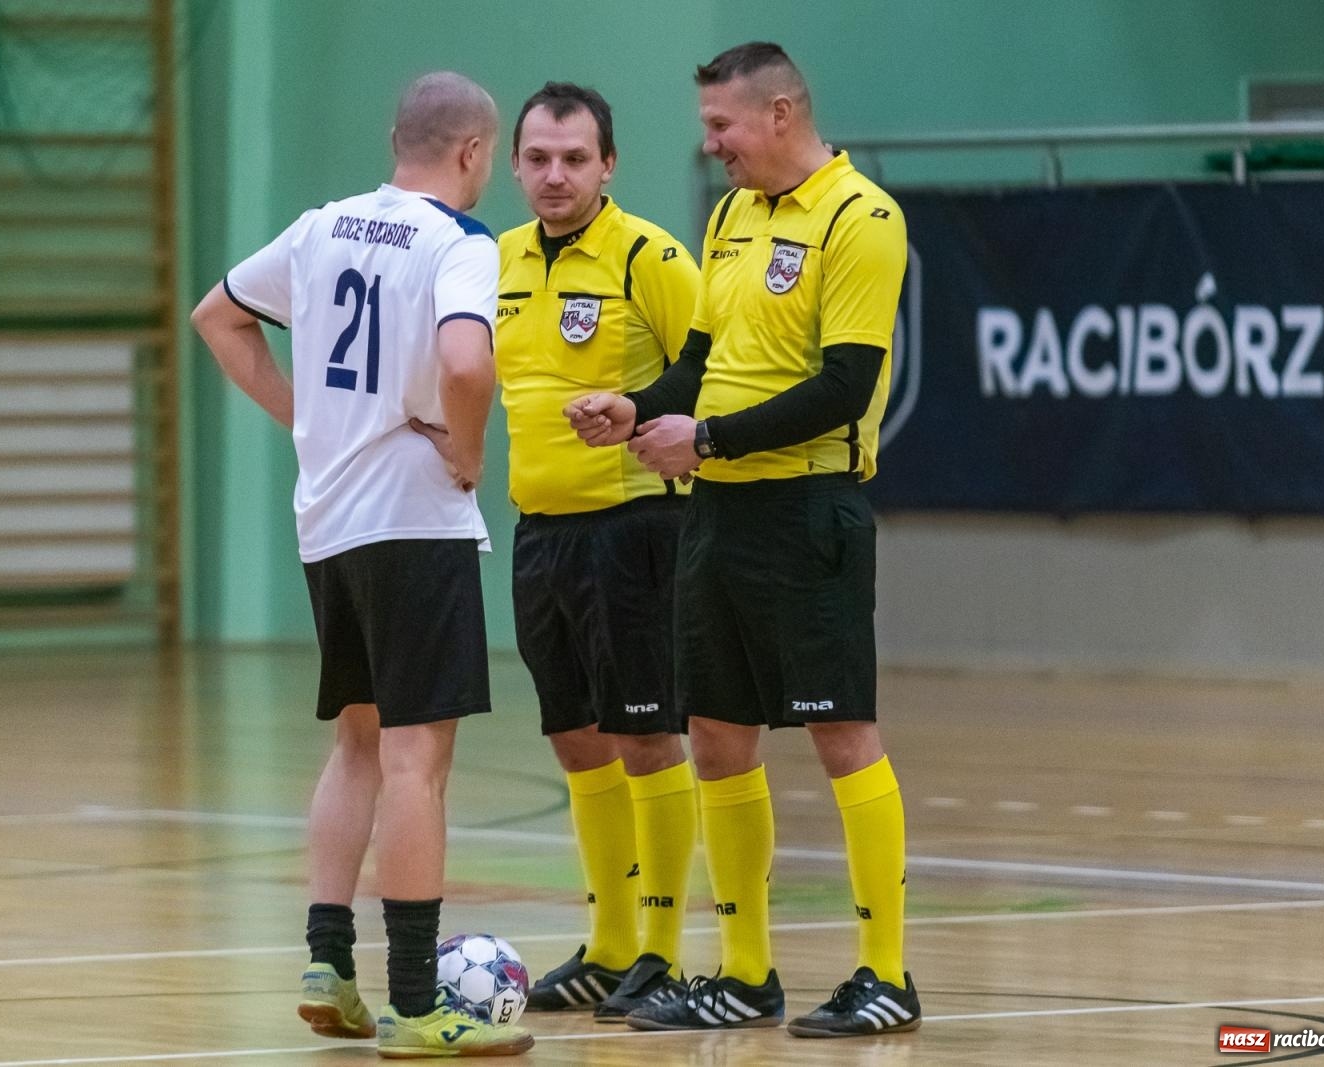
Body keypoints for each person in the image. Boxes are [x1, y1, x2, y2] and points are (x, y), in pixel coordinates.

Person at [565, 42, 921, 1039]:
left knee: (841, 731)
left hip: (808, 513)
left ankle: (886, 973)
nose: (711, 144)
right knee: (717, 736)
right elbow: (703, 361)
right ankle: (746, 971)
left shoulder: (861, 218)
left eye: (720, 125)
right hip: (716, 514)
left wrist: (708, 438)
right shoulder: (732, 216)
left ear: (779, 113)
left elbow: (845, 386)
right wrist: (639, 406)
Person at [191, 71, 532, 1058]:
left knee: (357, 743)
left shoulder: (320, 228)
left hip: (329, 524)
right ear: (473, 152)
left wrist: (310, 420)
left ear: (397, 138)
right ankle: (418, 1004)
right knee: (416, 760)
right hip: (414, 522)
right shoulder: (459, 242)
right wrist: (469, 450)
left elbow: (216, 316)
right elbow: (466, 363)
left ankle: (327, 964)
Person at [489, 82, 703, 1022]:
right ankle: (610, 944)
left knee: (645, 735)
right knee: (576, 736)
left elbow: (712, 365)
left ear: (608, 164)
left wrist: (643, 410)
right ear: (514, 165)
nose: (556, 175)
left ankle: (660, 947)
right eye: (538, 158)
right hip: (540, 529)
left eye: (575, 158)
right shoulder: (496, 260)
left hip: (634, 527)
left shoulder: (649, 255)